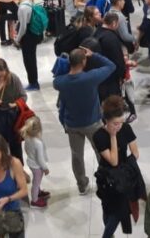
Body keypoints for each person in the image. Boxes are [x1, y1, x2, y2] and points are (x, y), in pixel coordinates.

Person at [52, 48, 116, 195]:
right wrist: (94, 55)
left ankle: (82, 185)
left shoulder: (60, 83)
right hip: (93, 123)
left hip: (72, 125)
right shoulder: (91, 77)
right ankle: (105, 180)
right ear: (83, 61)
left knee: (77, 155)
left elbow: (57, 77)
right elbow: (111, 66)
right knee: (101, 152)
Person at [93, 95, 144, 238]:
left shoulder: (126, 128)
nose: (119, 126)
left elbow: (135, 153)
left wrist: (126, 170)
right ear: (106, 121)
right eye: (115, 123)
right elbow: (113, 161)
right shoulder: (99, 136)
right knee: (107, 208)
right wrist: (113, 136)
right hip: (106, 177)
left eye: (121, 122)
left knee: (119, 210)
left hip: (123, 177)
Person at [13, 0, 42, 91]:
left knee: (29, 60)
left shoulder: (23, 7)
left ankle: (33, 83)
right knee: (31, 58)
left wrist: (17, 39)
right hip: (32, 34)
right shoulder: (28, 2)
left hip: (28, 37)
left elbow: (23, 26)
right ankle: (33, 81)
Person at [19, 115, 51, 208]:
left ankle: (38, 192)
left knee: (37, 181)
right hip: (37, 166)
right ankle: (35, 200)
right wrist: (45, 168)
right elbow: (40, 159)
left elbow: (26, 149)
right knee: (36, 182)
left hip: (31, 163)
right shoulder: (38, 143)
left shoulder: (27, 138)